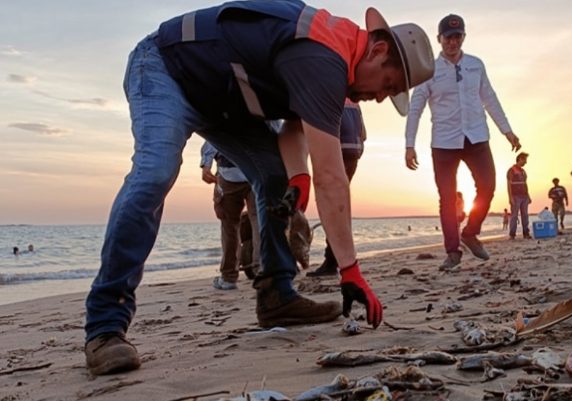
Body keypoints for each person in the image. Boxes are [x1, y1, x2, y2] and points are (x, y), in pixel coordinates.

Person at [83, 0, 435, 375]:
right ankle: (105, 326)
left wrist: (297, 178)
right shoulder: (324, 55)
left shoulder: (334, 59)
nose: (380, 97)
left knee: (275, 177)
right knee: (155, 171)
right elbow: (331, 178)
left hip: (223, 104)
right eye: (388, 85)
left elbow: (295, 127)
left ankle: (276, 296)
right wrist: (350, 270)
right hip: (166, 69)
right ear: (378, 50)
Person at [404, 13, 520, 270]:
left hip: (476, 136)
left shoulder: (476, 65)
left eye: (457, 37)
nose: (452, 42)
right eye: (448, 37)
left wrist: (507, 130)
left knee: (488, 186)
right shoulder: (428, 71)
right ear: (439, 39)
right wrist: (409, 145)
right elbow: (415, 109)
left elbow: (489, 97)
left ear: (463, 37)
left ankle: (471, 232)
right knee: (447, 198)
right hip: (444, 142)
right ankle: (453, 251)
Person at [308, 100, 366, 278]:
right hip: (353, 152)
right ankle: (340, 258)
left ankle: (333, 260)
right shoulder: (354, 101)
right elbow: (363, 133)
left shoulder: (329, 94)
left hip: (338, 150)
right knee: (339, 205)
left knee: (331, 205)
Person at [200, 141, 260, 290]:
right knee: (260, 222)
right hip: (256, 171)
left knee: (229, 226)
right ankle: (263, 272)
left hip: (229, 174)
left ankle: (229, 277)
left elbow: (213, 133)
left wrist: (205, 164)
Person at [507, 152, 531, 240]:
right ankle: (512, 234)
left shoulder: (523, 171)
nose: (526, 162)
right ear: (520, 159)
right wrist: (510, 197)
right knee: (514, 215)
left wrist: (528, 196)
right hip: (515, 196)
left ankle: (526, 233)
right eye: (524, 160)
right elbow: (508, 184)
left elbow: (525, 184)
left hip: (524, 196)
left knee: (525, 215)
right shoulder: (511, 170)